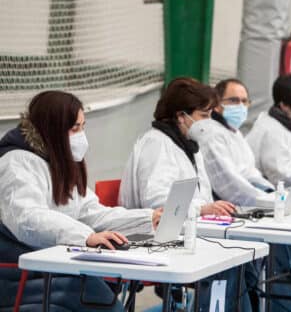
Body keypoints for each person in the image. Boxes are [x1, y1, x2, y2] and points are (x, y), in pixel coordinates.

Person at [0, 91, 159, 311]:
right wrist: (85, 237)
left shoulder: (59, 162)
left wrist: (147, 219)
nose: (81, 136)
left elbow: (90, 211)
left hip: (51, 269)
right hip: (15, 277)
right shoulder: (16, 163)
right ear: (52, 128)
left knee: (94, 290)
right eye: (75, 128)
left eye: (82, 127)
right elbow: (29, 219)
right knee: (91, 291)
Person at [119, 77, 248, 311]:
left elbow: (203, 196)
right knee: (228, 266)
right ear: (181, 116)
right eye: (204, 115)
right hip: (152, 237)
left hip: (185, 232)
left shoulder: (188, 145)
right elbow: (157, 202)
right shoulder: (156, 144)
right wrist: (202, 209)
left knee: (243, 260)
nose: (209, 122)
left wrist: (212, 209)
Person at [188, 78, 273, 206]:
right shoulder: (212, 134)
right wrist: (265, 201)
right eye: (234, 100)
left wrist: (272, 192)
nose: (241, 106)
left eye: (244, 101)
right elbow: (229, 184)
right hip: (229, 208)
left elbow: (250, 173)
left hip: (250, 201)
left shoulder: (234, 132)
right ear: (217, 105)